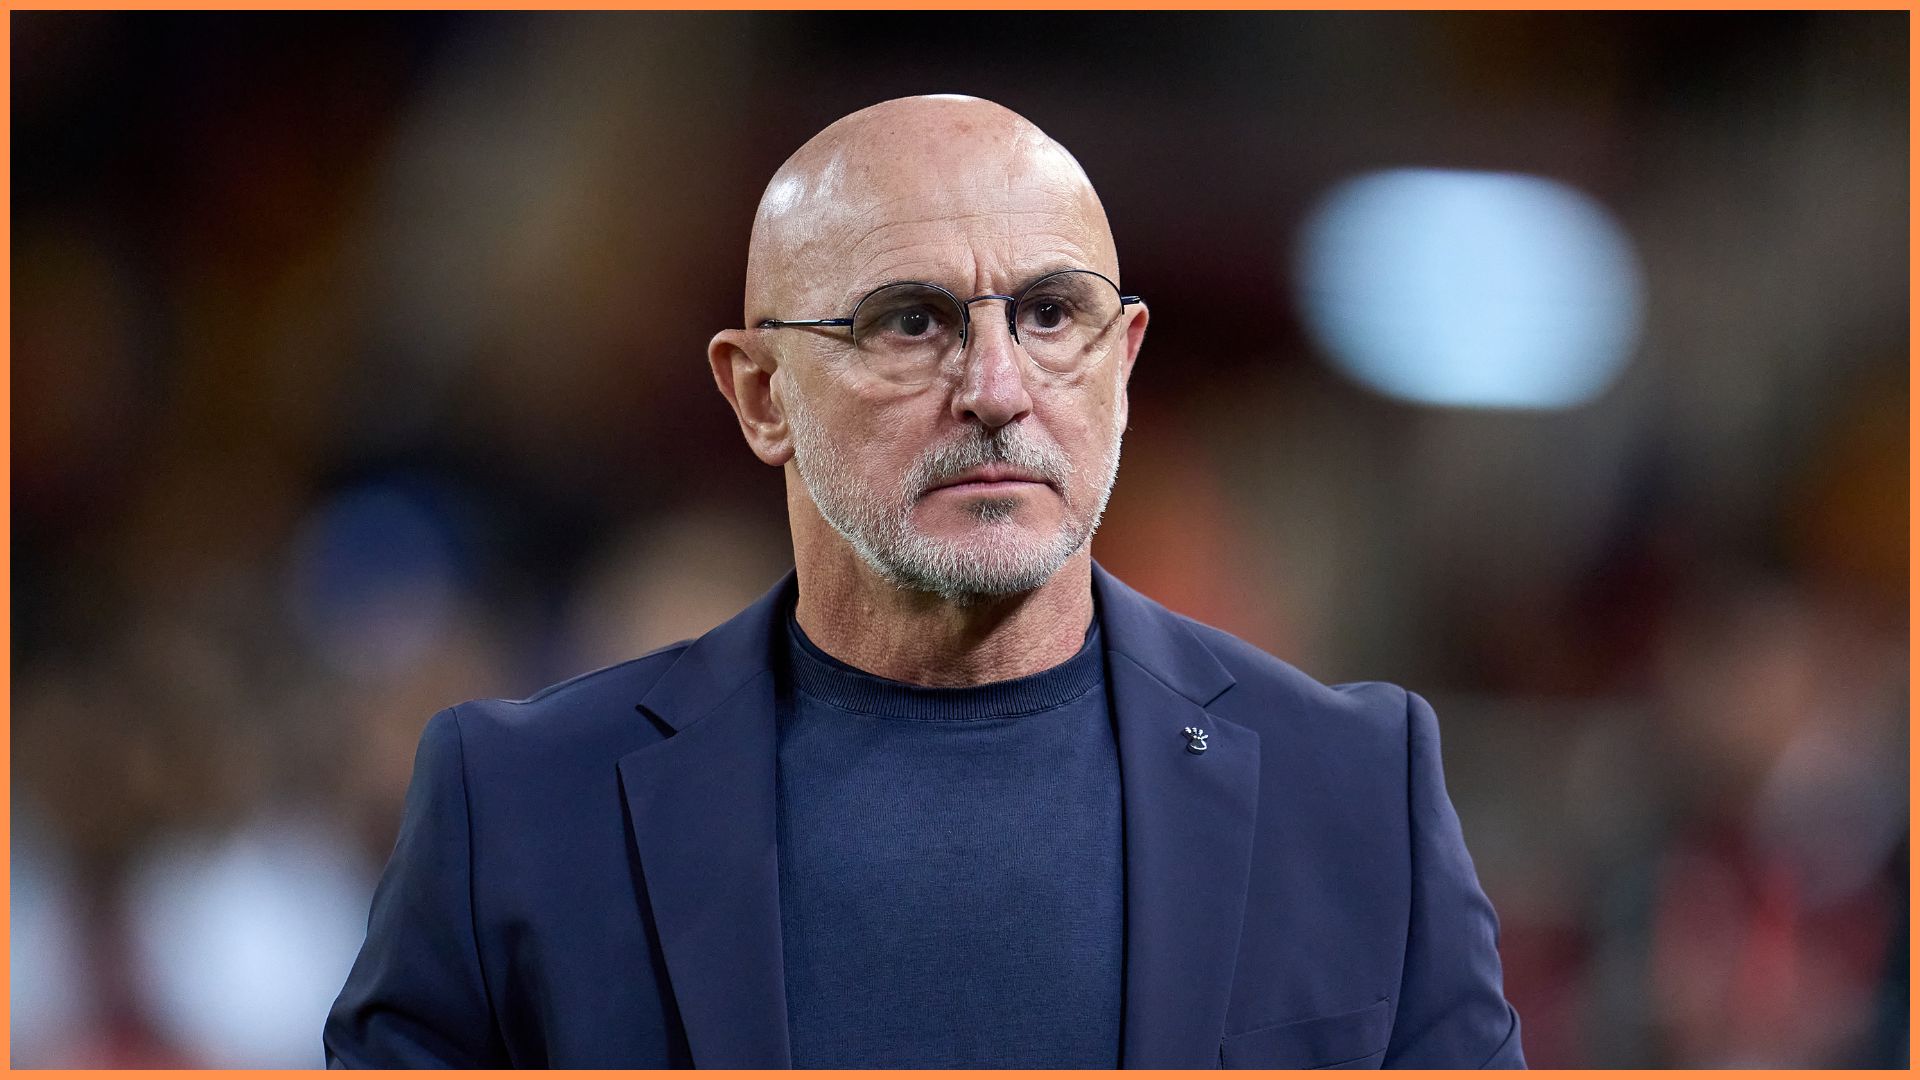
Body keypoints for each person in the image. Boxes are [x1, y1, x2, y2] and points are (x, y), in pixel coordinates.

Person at [324, 94, 1524, 1070]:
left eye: (1053, 314)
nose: (998, 387)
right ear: (759, 395)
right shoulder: (519, 808)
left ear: (1125, 362)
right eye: (911, 323)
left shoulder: (1360, 792)